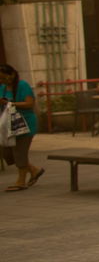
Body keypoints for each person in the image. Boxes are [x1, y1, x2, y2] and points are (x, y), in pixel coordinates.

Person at [0, 64, 43, 192]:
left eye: (4, 78)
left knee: (20, 151)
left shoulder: (22, 85)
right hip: (8, 124)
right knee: (7, 152)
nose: (2, 81)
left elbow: (29, 104)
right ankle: (34, 170)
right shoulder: (2, 87)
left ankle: (21, 180)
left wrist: (11, 103)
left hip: (24, 123)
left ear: (12, 74)